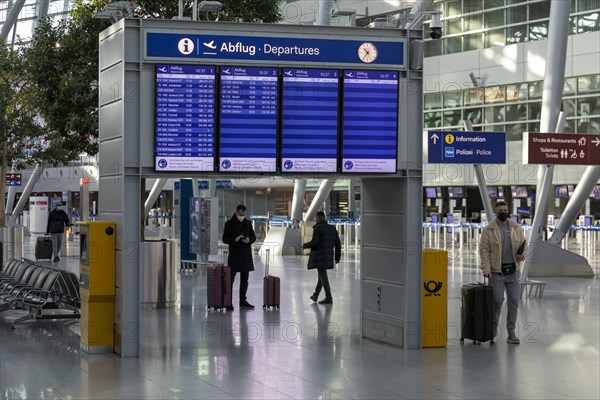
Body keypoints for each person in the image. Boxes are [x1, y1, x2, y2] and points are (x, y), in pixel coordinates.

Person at [479, 201, 527, 344]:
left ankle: (511, 332)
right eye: (501, 210)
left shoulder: (515, 227)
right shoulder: (489, 230)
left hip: (513, 271)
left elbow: (524, 245)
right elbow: (484, 251)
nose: (503, 212)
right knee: (497, 301)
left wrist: (521, 255)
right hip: (496, 272)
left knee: (514, 301)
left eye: (505, 209)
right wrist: (486, 269)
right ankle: (493, 328)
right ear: (496, 212)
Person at [222, 204, 256, 309]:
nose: (243, 216)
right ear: (237, 212)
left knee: (244, 280)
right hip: (234, 256)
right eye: (241, 214)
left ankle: (243, 301)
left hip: (246, 255)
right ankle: (228, 302)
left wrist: (248, 240)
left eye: (244, 214)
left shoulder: (248, 223)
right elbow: (224, 239)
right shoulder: (229, 224)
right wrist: (235, 240)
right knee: (230, 279)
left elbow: (253, 236)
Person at [303, 211, 341, 305]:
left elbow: (315, 242)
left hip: (319, 256)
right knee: (321, 276)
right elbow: (338, 244)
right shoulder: (332, 229)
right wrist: (337, 257)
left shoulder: (318, 228)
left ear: (318, 218)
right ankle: (315, 295)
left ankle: (329, 297)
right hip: (328, 256)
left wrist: (305, 245)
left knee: (323, 277)